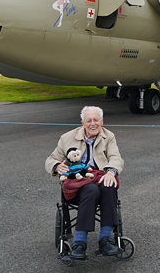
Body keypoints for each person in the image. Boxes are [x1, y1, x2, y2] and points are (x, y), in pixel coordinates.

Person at [45, 106, 124, 260]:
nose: (92, 124)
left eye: (96, 120)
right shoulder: (67, 137)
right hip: (78, 184)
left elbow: (116, 157)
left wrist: (110, 171)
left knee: (109, 185)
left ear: (102, 121)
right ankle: (79, 242)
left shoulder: (109, 136)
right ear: (83, 122)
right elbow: (51, 159)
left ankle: (105, 239)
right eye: (89, 121)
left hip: (99, 176)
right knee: (91, 190)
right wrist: (56, 165)